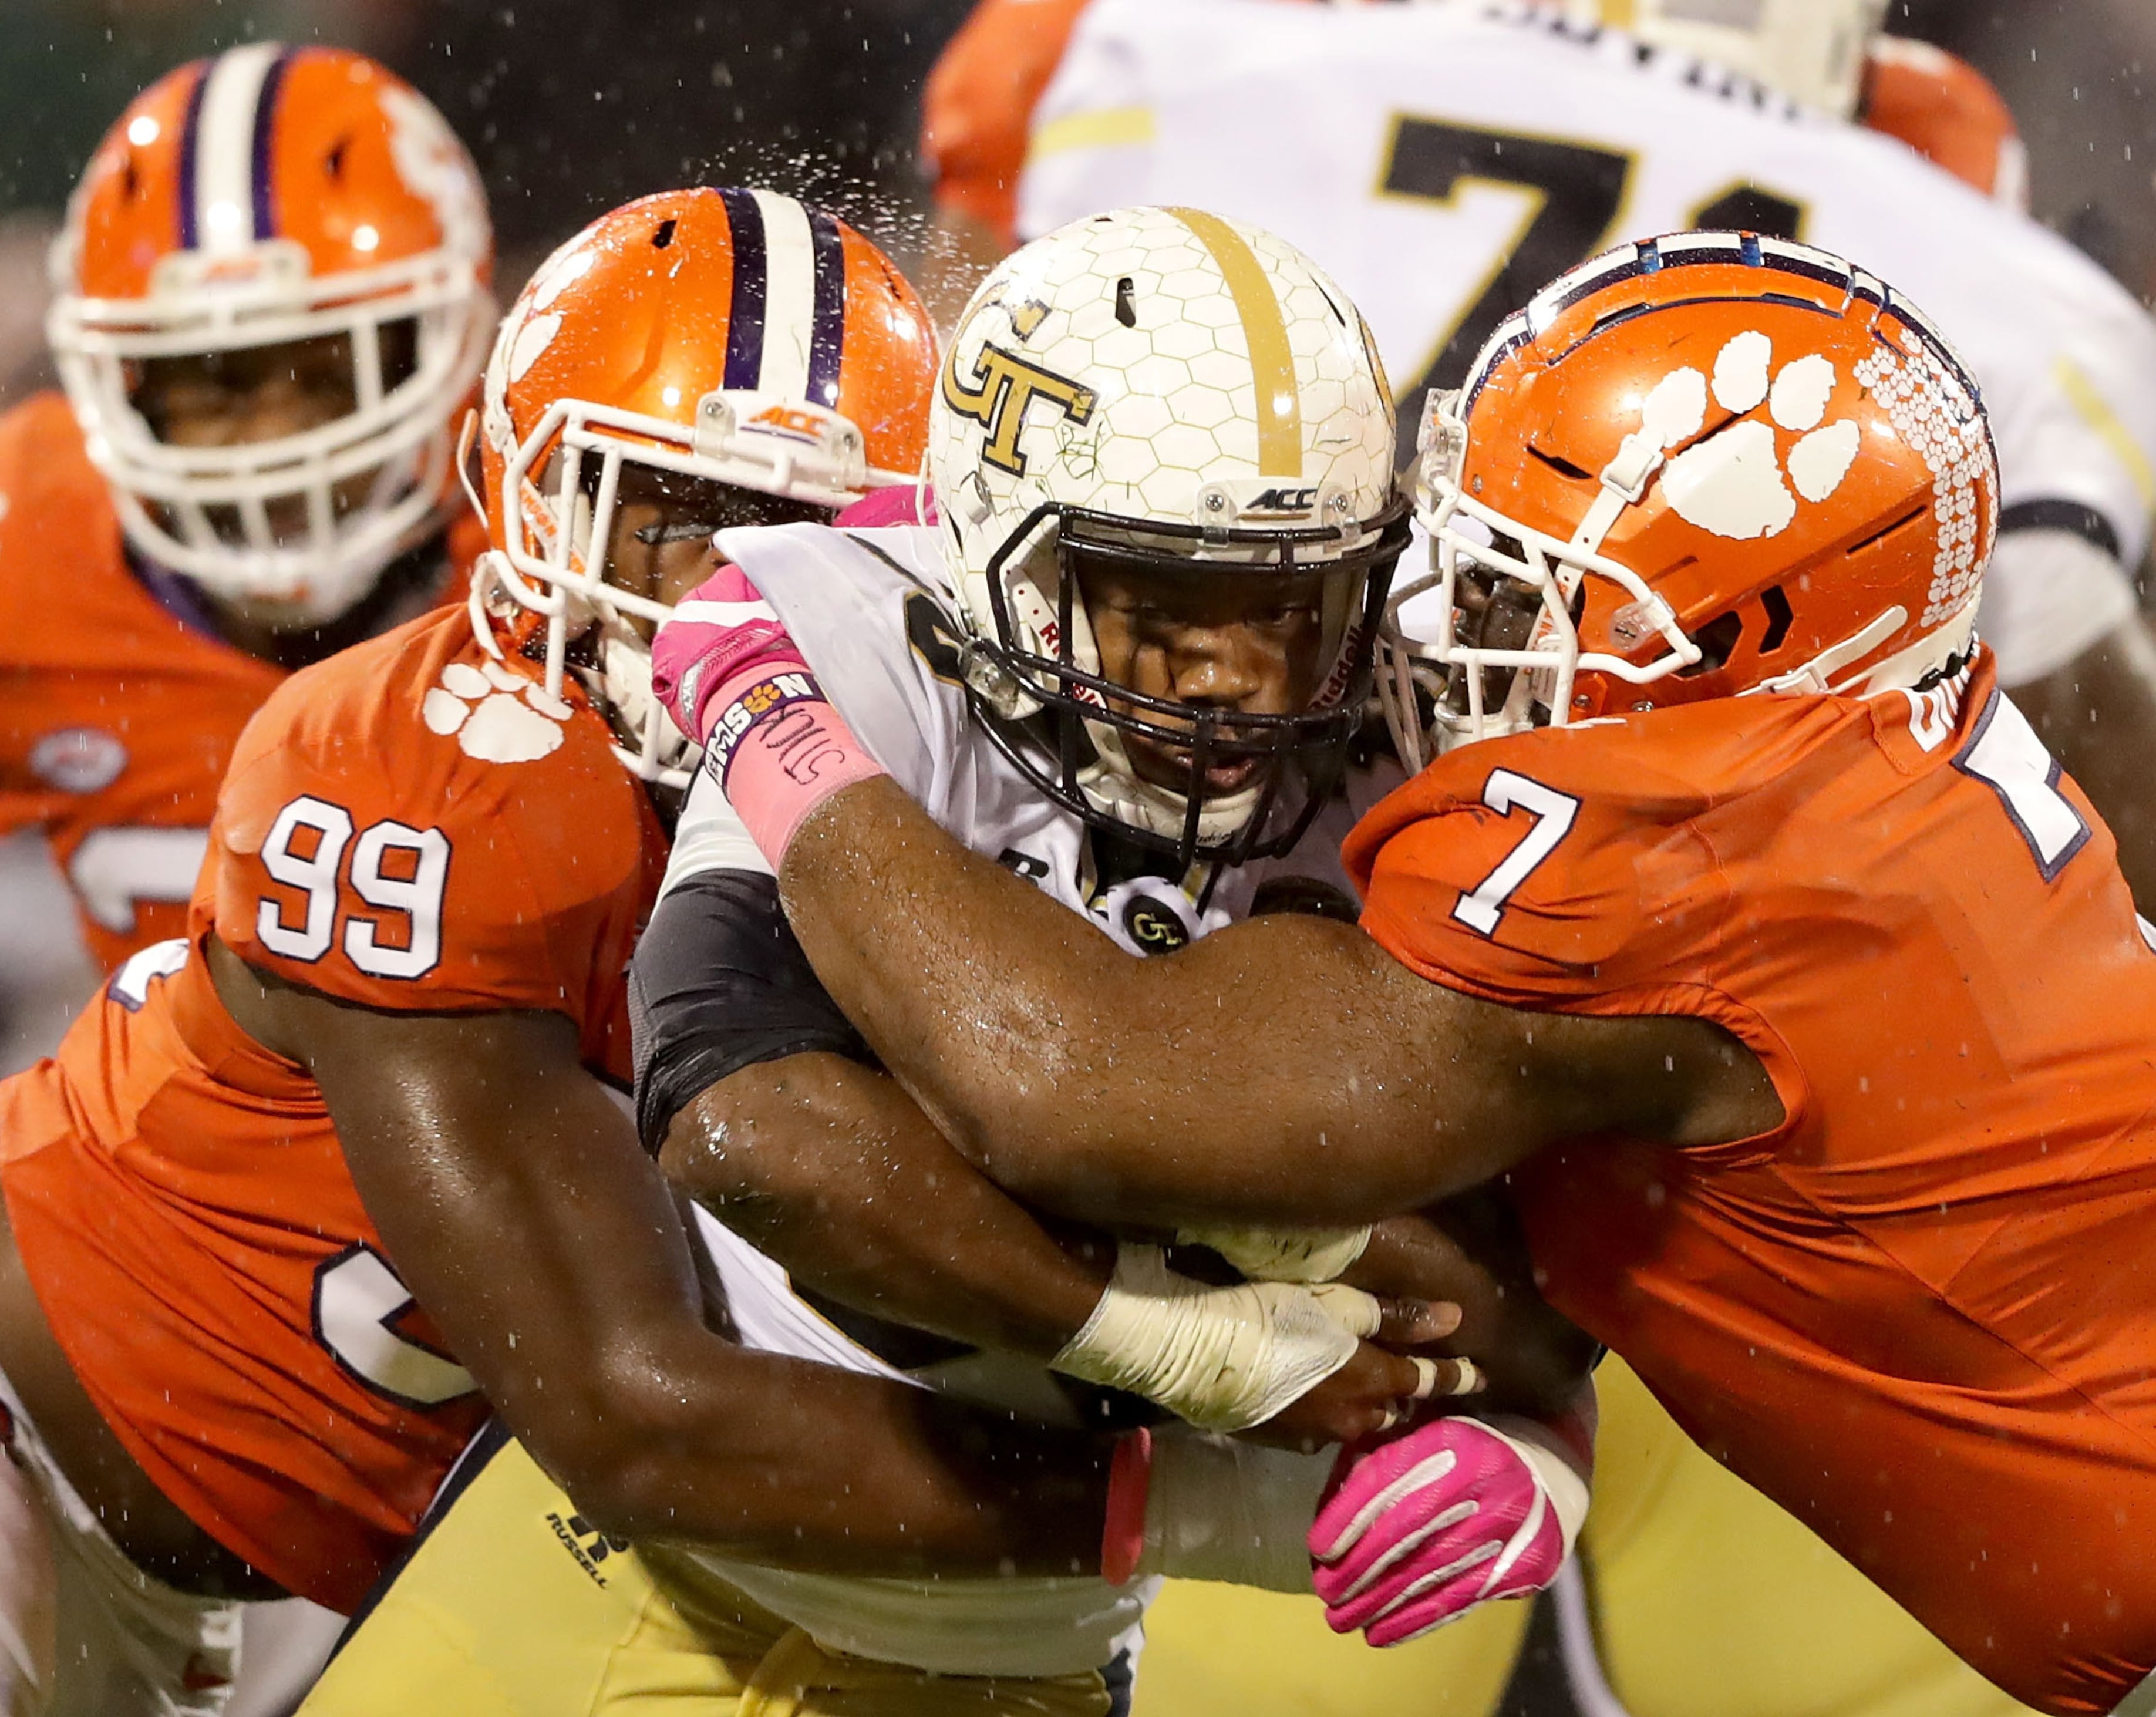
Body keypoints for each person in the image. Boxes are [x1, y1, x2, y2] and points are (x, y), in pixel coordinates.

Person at [651, 230, 2156, 1716]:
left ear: (1734, 631)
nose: (1452, 625)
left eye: (1534, 584)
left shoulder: (1686, 850)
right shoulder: (1878, 729)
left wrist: (774, 724)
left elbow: (1065, 1089)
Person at [0, 187, 1207, 1717]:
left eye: (793, 535)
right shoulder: (441, 771)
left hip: (259, 1585)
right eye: (674, 523)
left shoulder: (923, 800)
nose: (733, 596)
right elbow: (639, 1414)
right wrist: (1213, 1497)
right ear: (537, 496)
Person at [299, 201, 1591, 1717]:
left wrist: (1549, 1431)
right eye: (1167, 604)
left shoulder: (1410, 741)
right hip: (617, 1588)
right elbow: (755, 1131)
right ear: (1004, 563)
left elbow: (1535, 1275)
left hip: (1025, 1661)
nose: (1236, 678)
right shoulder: (849, 643)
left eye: (1287, 605)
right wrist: (1172, 1312)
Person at [924, 0, 2156, 918]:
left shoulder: (1180, 58)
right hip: (1642, 882)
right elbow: (2091, 775)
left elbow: (957, 416)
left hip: (1164, 748)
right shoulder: (2012, 287)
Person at [0, 44, 496, 974]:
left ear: (449, 343)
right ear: (122, 383)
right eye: (210, 384)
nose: (273, 442)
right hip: (147, 1109)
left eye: (329, 371)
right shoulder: (0, 543)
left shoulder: (554, 540)